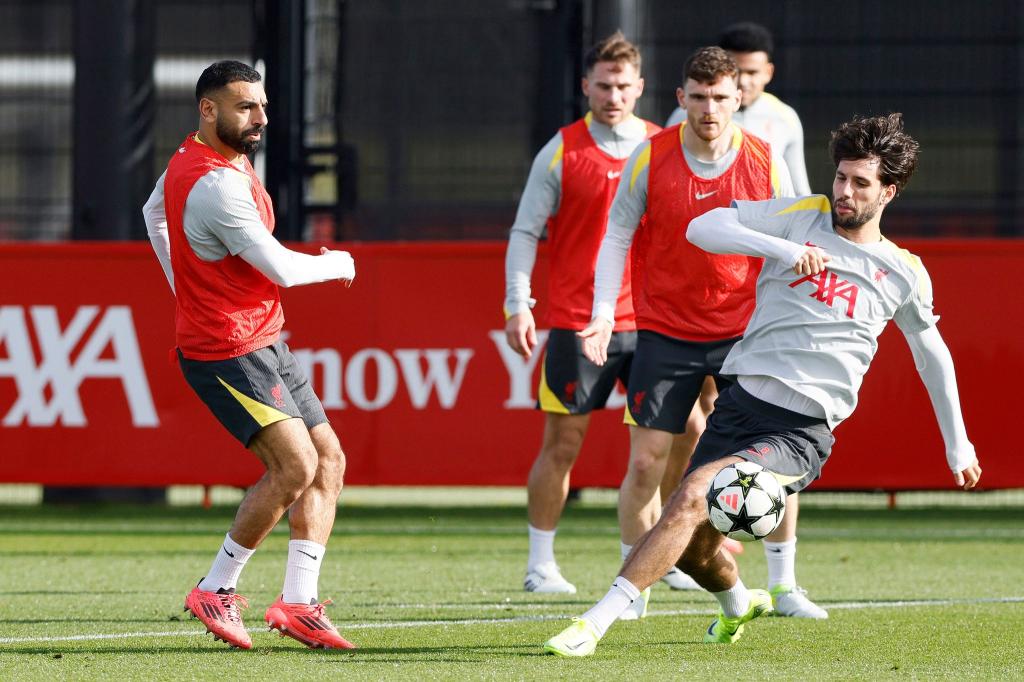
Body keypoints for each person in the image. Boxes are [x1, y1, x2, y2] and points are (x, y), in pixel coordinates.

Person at [543, 113, 981, 657]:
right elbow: (701, 228)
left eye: (860, 183)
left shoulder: (902, 270)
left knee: (692, 497)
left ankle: (595, 623)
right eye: (840, 177)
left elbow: (931, 352)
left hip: (802, 432)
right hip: (740, 406)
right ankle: (738, 603)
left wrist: (956, 440)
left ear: (888, 191)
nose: (844, 191)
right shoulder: (803, 218)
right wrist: (783, 251)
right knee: (691, 547)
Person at [143, 60, 357, 651]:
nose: (261, 117)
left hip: (262, 336)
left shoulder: (201, 158)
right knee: (295, 467)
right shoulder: (215, 184)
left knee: (328, 460)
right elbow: (284, 268)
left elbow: (153, 214)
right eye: (246, 106)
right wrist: (339, 262)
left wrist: (183, 286)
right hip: (226, 349)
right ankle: (217, 587)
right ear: (207, 111)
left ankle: (297, 602)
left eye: (262, 105)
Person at [576, 46, 796, 620]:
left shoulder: (766, 161)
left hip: (743, 334)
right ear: (680, 99)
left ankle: (785, 584)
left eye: (721, 97)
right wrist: (605, 312)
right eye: (697, 97)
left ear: (739, 98)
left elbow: (795, 242)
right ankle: (635, 583)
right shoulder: (650, 158)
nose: (709, 108)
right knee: (647, 462)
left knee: (769, 458)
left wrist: (784, 322)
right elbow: (617, 237)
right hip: (665, 331)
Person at [662, 21, 822, 619]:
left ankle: (784, 584)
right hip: (685, 311)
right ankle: (688, 551)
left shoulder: (778, 126)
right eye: (734, 75)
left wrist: (798, 271)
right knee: (687, 435)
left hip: (755, 311)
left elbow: (800, 201)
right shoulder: (676, 137)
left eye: (751, 76)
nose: (739, 89)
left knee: (778, 435)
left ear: (763, 77)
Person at [504, 32, 660, 595]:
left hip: (652, 321)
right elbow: (525, 231)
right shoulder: (561, 150)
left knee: (668, 439)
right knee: (563, 444)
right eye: (603, 85)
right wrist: (518, 304)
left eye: (623, 86)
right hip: (577, 319)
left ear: (639, 87)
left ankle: (662, 557)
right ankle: (540, 564)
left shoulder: (665, 146)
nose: (613, 95)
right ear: (585, 87)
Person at [667, 21, 810, 195]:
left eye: (752, 72)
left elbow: (799, 194)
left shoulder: (785, 118)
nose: (743, 81)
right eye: (737, 72)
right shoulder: (686, 114)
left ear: (768, 72)